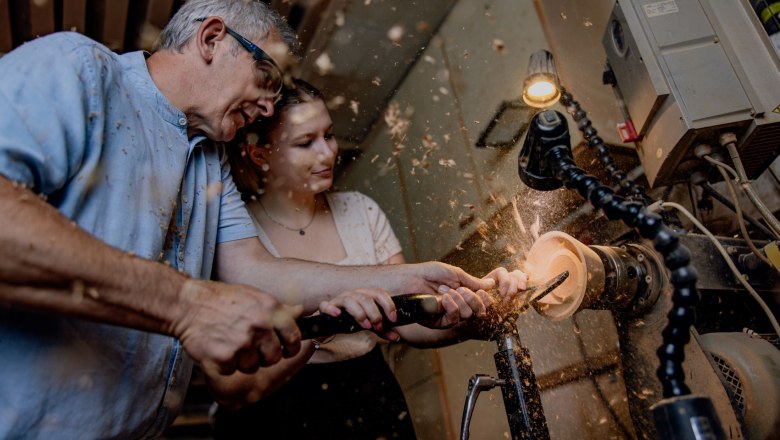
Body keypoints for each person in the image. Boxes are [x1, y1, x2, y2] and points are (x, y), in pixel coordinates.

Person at [0, 0, 525, 438]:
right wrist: (185, 304)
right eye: (267, 76)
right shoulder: (82, 71)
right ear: (211, 39)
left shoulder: (207, 158)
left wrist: (407, 279)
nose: (272, 107)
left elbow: (257, 272)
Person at [209, 79, 528, 439]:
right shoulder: (236, 238)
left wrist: (474, 314)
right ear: (260, 155)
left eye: (328, 135)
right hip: (276, 405)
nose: (327, 153)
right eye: (305, 143)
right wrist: (324, 324)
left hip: (368, 391)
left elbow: (408, 323)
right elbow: (232, 382)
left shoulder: (362, 211)